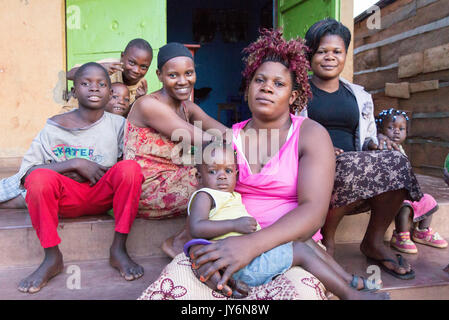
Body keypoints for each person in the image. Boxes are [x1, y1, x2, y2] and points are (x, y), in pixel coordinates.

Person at [138, 29, 367, 300]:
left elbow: (313, 213)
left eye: (279, 84)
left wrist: (248, 245)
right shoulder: (226, 140)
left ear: (294, 96)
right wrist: (204, 250)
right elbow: (209, 198)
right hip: (226, 245)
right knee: (173, 289)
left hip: (290, 249)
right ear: (248, 88)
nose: (267, 87)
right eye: (259, 80)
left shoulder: (310, 134)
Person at [301, 18, 423, 280]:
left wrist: (376, 142)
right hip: (315, 168)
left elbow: (367, 136)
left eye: (337, 51)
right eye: (322, 51)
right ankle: (328, 241)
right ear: (310, 54)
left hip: (355, 164)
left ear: (345, 54)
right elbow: (287, 133)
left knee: (396, 160)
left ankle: (374, 241)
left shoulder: (359, 95)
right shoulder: (297, 92)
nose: (329, 57)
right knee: (347, 166)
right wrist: (321, 147)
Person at [188, 142, 388, 299]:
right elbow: (197, 227)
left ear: (236, 173)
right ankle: (350, 295)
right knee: (299, 250)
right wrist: (234, 225)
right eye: (213, 171)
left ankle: (347, 280)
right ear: (199, 176)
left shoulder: (230, 195)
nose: (222, 177)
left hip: (252, 254)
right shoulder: (204, 195)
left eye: (228, 171)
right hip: (239, 266)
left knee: (302, 238)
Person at [16, 62, 144, 293]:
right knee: (39, 179)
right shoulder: (53, 127)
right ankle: (51, 256)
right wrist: (73, 164)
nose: (94, 88)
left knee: (131, 169)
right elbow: (27, 174)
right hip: (66, 198)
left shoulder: (118, 124)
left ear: (109, 92)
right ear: (74, 91)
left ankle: (119, 248)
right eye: (86, 83)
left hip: (102, 195)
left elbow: (129, 165)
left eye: (101, 84)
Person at [124, 42, 228, 258]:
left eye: (189, 73)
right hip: (149, 190)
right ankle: (179, 240)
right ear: (159, 75)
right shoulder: (148, 104)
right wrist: (238, 149)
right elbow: (204, 139)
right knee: (223, 178)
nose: (183, 81)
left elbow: (225, 133)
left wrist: (253, 140)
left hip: (179, 178)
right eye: (173, 75)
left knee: (225, 173)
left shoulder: (186, 107)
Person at [376, 108, 448, 253]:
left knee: (428, 200)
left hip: (405, 189)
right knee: (404, 205)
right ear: (380, 130)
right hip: (390, 191)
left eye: (401, 129)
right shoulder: (380, 147)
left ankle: (422, 230)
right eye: (391, 127)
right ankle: (400, 235)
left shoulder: (400, 149)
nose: (396, 131)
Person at [64, 38, 152, 111]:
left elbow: (125, 116)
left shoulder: (141, 87)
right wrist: (99, 69)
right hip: (72, 113)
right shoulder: (110, 66)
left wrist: (138, 101)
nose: (136, 70)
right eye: (132, 63)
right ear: (122, 56)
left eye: (143, 67)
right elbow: (69, 75)